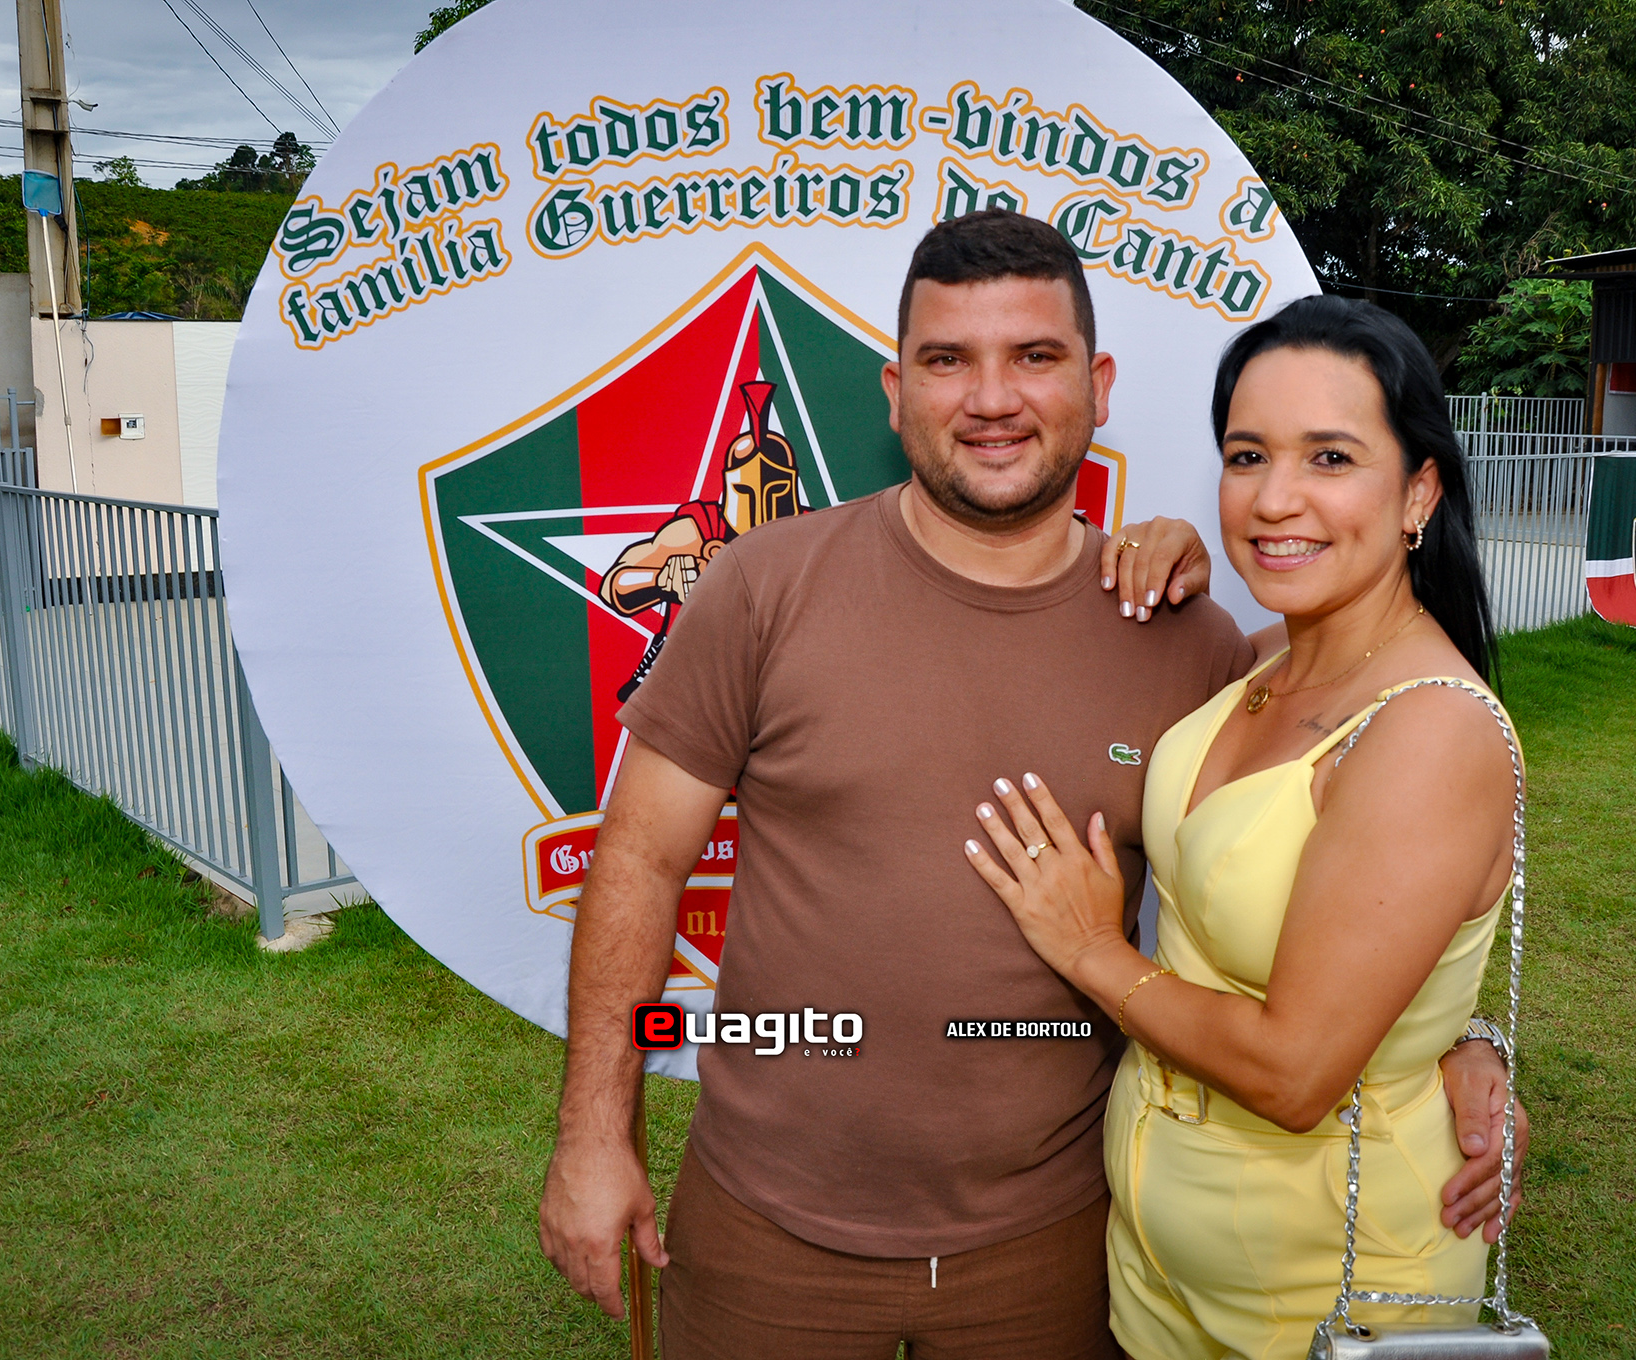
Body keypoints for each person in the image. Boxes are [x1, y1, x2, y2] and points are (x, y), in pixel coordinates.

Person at [536, 213, 1522, 1359]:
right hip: (767, 1225)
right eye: (947, 359)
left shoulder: (1189, 645)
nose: (991, 398)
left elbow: (1381, 850)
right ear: (894, 390)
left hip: (1059, 1239)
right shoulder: (762, 586)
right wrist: (592, 1133)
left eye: (1034, 356)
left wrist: (1451, 1039)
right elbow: (639, 858)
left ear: (1096, 387)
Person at [964, 293, 1528, 1360]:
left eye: (1329, 458)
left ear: (1418, 491)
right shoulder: (1267, 656)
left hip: (1330, 1296)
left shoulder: (1429, 730)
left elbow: (1294, 1073)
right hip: (1156, 1270)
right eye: (1246, 455)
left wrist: (1090, 950)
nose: (1273, 499)